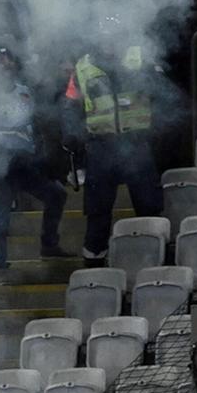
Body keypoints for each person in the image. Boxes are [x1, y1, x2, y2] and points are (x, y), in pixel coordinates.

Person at [69, 37, 164, 264]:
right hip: (101, 147)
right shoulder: (82, 68)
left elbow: (162, 93)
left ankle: (155, 261)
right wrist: (73, 138)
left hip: (136, 143)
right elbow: (70, 106)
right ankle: (94, 266)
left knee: (148, 206)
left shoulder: (141, 58)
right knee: (97, 211)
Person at [0, 49, 70, 270]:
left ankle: (49, 244)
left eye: (8, 60)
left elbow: (35, 126)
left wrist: (43, 159)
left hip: (23, 162)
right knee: (0, 216)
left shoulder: (24, 92)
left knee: (56, 194)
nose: (4, 65)